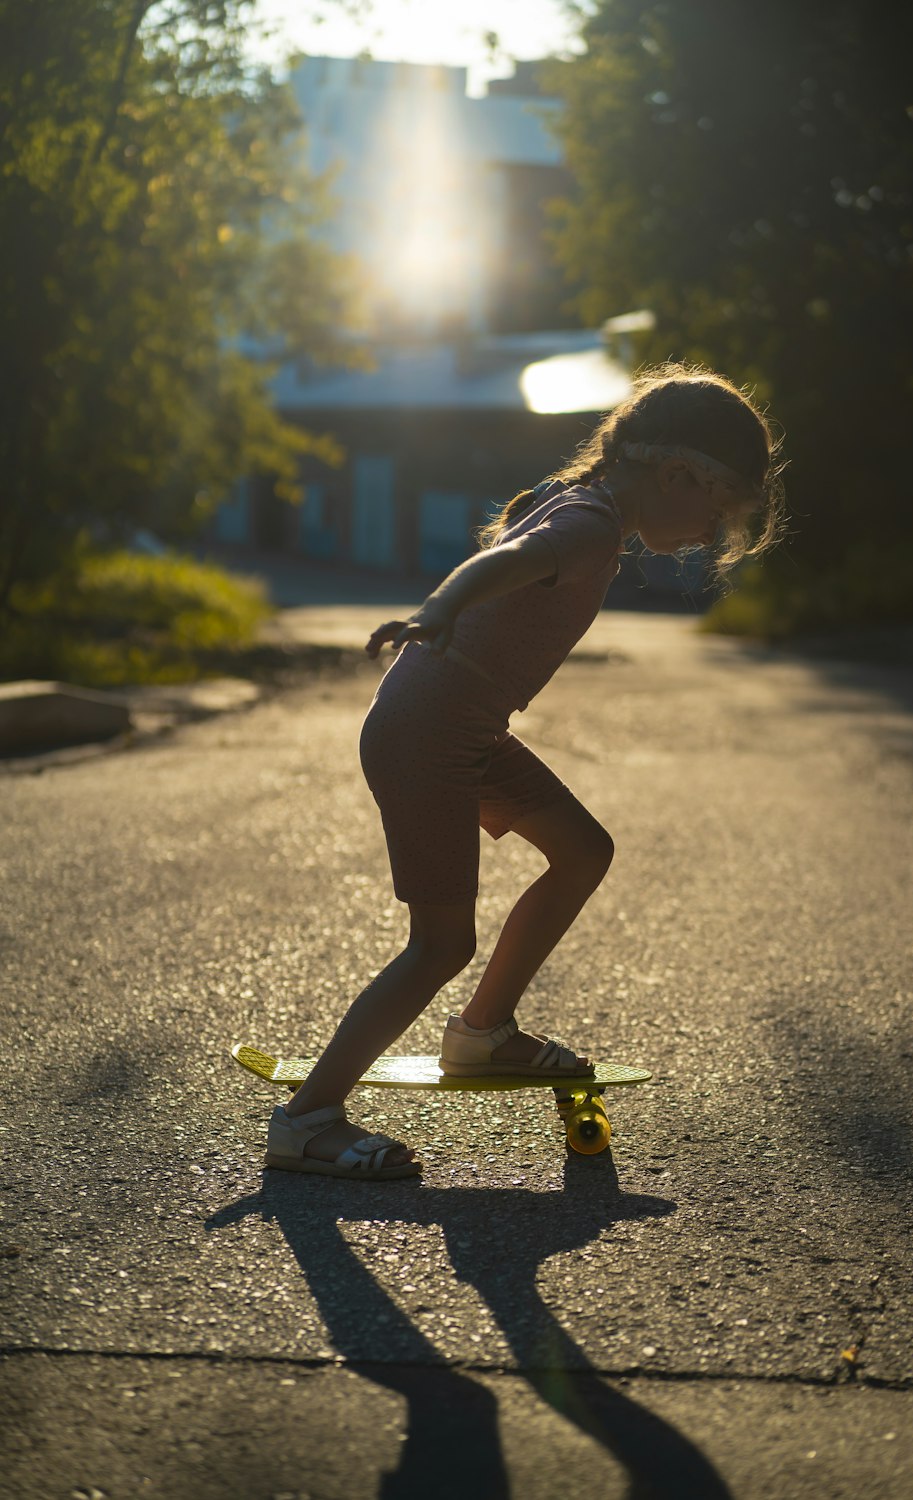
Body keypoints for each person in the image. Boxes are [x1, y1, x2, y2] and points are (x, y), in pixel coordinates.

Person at [265, 362, 785, 1179]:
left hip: (463, 732)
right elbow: (501, 565)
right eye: (714, 510)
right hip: (429, 736)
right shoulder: (584, 524)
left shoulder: (588, 510)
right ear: (676, 474)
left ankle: (482, 1036)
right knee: (439, 946)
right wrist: (439, 609)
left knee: (583, 850)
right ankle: (305, 1121)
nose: (710, 533)